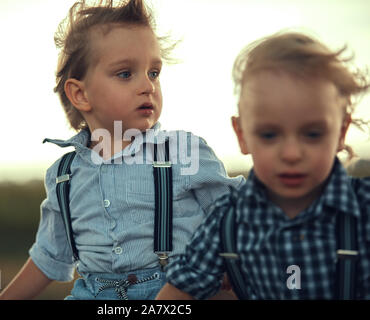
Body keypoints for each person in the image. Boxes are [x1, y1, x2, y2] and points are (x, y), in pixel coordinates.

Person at [0, 0, 244, 300]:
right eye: (126, 74)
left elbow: (234, 212)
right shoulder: (64, 176)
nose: (148, 86)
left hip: (171, 292)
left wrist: (231, 258)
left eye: (153, 73)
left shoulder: (183, 152)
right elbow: (49, 255)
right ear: (80, 94)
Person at [156, 31, 370, 300]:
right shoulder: (228, 220)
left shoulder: (364, 210)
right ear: (242, 135)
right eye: (269, 135)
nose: (291, 153)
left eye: (313, 134)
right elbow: (179, 292)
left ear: (341, 132)